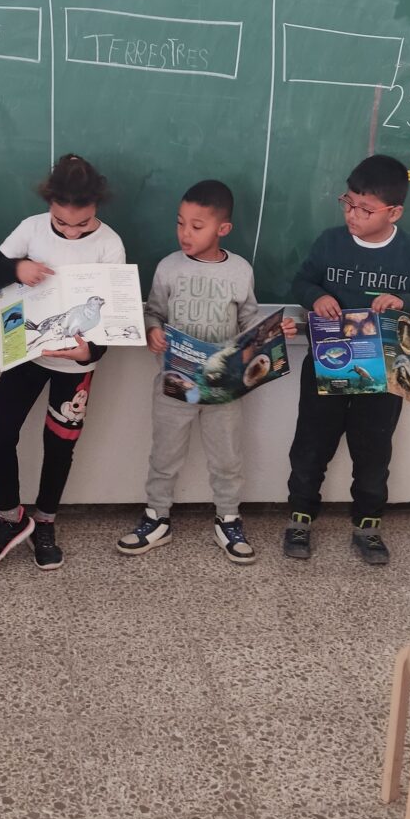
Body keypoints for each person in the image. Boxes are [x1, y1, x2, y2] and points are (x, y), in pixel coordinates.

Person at [117, 180, 297, 564]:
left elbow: (249, 323)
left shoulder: (240, 271)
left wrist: (273, 332)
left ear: (223, 229)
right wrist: (152, 331)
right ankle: (157, 516)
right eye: (180, 223)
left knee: (227, 456)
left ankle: (228, 518)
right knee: (164, 454)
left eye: (197, 226)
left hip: (224, 388)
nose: (185, 233)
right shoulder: (168, 267)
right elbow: (154, 311)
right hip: (174, 382)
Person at [0, 153, 125, 571]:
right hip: (29, 355)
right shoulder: (32, 228)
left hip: (76, 365)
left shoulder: (109, 243)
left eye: (83, 223)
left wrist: (90, 353)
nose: (72, 231)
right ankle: (10, 518)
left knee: (60, 447)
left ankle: (45, 522)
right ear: (49, 204)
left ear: (97, 206)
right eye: (62, 222)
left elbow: (113, 316)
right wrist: (17, 267)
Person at [284, 154, 410, 565]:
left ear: (394, 212)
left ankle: (368, 524)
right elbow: (302, 281)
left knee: (373, 450)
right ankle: (300, 517)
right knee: (311, 444)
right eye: (348, 203)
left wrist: (403, 301)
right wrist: (317, 296)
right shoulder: (330, 242)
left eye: (365, 209)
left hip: (384, 368)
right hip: (327, 360)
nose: (352, 214)